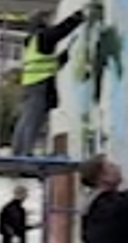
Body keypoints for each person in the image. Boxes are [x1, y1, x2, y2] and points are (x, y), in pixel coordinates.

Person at [10, 8, 86, 157]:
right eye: (48, 20)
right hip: (39, 85)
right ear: (42, 23)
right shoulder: (43, 37)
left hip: (30, 85)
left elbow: (44, 65)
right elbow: (60, 31)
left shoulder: (31, 43)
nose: (50, 23)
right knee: (32, 121)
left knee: (27, 120)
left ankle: (19, 151)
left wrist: (61, 59)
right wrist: (77, 18)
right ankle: (25, 153)